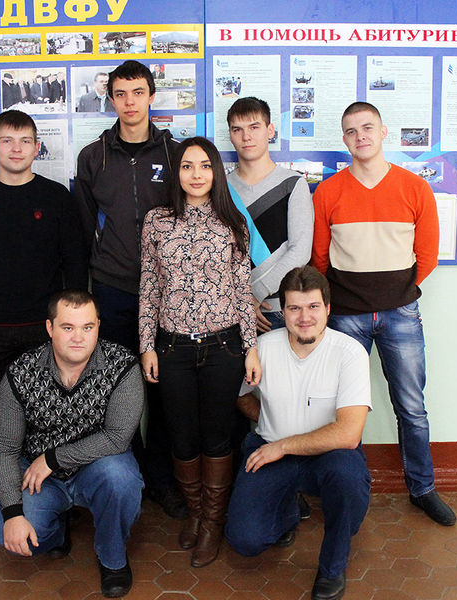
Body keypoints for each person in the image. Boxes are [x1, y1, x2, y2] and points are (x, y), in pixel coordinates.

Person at [312, 101, 456, 526]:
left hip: (400, 314)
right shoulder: (329, 192)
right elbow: (320, 257)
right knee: (342, 406)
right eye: (351, 131)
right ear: (344, 139)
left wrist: (398, 293)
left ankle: (423, 488)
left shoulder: (414, 187)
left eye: (367, 127)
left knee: (411, 406)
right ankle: (347, 490)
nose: (361, 136)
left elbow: (427, 255)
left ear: (383, 131)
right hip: (345, 316)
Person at [0, 110, 87, 531]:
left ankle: (54, 488)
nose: (16, 148)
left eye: (25, 140)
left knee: (53, 410)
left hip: (45, 328)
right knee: (1, 412)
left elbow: (75, 263)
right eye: (7, 140)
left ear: (36, 147)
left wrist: (71, 323)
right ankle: (4, 487)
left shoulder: (56, 197)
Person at [139, 136, 261, 568]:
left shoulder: (233, 222)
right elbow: (149, 286)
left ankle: (212, 521)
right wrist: (146, 345)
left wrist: (251, 349)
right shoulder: (156, 221)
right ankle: (195, 512)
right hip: (172, 347)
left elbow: (243, 290)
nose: (196, 174)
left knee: (217, 435)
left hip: (223, 346)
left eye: (205, 166)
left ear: (216, 172)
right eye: (187, 166)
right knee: (181, 435)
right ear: (176, 173)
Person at [75, 60, 186, 520]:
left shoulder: (176, 154)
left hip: (167, 294)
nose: (129, 102)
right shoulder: (94, 156)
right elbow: (82, 229)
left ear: (151, 96)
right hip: (113, 289)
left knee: (163, 389)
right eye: (120, 94)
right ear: (111, 99)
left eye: (138, 92)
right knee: (119, 387)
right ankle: (132, 472)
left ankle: (161, 479)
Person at [226, 266, 372, 600]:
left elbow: (349, 434)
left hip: (329, 457)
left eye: (313, 307)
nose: (304, 317)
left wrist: (284, 445)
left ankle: (332, 568)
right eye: (294, 308)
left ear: (328, 308)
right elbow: (241, 396)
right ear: (283, 310)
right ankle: (288, 510)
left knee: (347, 484)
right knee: (245, 540)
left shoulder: (350, 352)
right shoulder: (262, 347)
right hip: (270, 449)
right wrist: (270, 425)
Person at [0, 290, 142, 598]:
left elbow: (117, 437)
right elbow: (5, 449)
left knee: (122, 480)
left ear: (98, 327)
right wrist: (13, 514)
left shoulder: (122, 366)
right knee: (14, 534)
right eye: (68, 327)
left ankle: (112, 556)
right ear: (50, 328)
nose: (78, 337)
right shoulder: (21, 372)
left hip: (97, 466)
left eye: (87, 327)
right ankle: (57, 530)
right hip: (39, 477)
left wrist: (54, 458)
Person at [227, 97, 313, 333]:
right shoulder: (221, 188)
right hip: (233, 310)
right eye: (237, 129)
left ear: (270, 131)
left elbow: (301, 250)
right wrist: (242, 301)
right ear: (231, 135)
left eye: (254, 127)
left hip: (282, 309)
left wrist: (256, 293)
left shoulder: (293, 183)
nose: (246, 137)